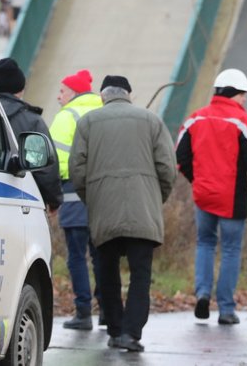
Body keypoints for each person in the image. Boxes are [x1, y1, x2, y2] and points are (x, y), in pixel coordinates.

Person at [70, 75, 176, 353]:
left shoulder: (87, 123)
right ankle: (131, 333)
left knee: (106, 271)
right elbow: (167, 168)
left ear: (103, 96)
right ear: (129, 95)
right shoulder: (152, 121)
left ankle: (115, 330)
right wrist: (155, 198)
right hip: (143, 209)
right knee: (141, 275)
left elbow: (77, 171)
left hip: (103, 210)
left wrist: (92, 198)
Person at [176, 68, 247, 326]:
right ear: (232, 93)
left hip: (203, 195)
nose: (245, 99)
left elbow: (180, 157)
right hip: (232, 198)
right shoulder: (242, 121)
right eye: (242, 94)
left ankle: (203, 293)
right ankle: (226, 309)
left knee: (205, 244)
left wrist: (198, 180)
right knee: (230, 249)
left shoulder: (195, 119)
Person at [49, 68, 103, 330]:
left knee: (76, 256)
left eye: (62, 91)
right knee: (101, 254)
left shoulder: (66, 116)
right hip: (104, 196)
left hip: (73, 195)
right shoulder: (103, 111)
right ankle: (106, 309)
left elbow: (57, 160)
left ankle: (83, 312)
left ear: (73, 92)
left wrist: (52, 190)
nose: (59, 97)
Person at [0, 58, 62, 212]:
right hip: (24, 200)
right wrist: (54, 200)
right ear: (20, 88)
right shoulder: (32, 120)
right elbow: (45, 168)